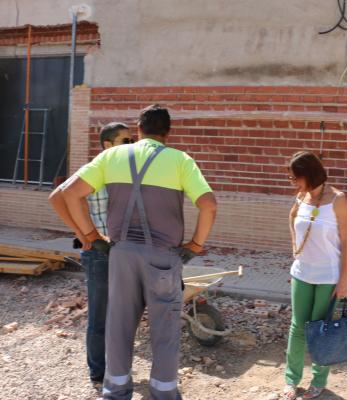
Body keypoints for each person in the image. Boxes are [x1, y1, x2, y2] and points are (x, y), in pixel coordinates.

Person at [59, 104, 217, 400]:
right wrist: (195, 245)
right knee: (164, 330)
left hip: (120, 254)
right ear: (167, 133)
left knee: (118, 325)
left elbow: (69, 193)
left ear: (139, 128)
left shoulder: (111, 156)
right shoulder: (180, 160)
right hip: (163, 257)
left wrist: (92, 236)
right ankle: (163, 392)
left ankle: (115, 390)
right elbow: (209, 204)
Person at [49, 122, 132, 384]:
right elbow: (57, 197)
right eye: (125, 141)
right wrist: (83, 234)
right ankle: (98, 372)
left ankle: (118, 368)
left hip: (122, 250)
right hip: (99, 253)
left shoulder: (122, 170)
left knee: (122, 313)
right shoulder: (96, 168)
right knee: (99, 315)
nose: (131, 146)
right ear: (108, 144)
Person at [283, 151, 347, 400]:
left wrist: (343, 279)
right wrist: (295, 246)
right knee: (297, 327)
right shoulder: (302, 196)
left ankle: (319, 380)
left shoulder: (337, 199)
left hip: (328, 276)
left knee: (320, 329)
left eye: (295, 178)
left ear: (308, 175)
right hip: (302, 273)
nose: (293, 183)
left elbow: (346, 242)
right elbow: (292, 217)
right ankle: (291, 380)